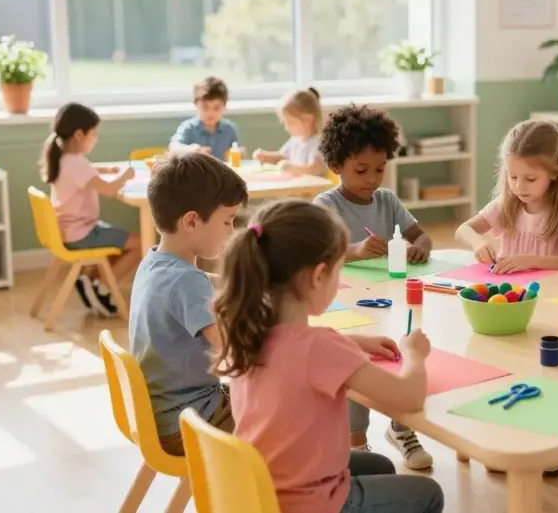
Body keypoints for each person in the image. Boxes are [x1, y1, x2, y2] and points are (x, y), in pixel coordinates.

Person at [214, 200, 444, 513]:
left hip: (259, 492)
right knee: (428, 493)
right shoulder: (319, 348)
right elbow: (410, 397)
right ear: (318, 275)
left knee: (380, 465)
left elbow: (294, 355)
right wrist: (413, 353)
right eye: (337, 272)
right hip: (307, 503)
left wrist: (353, 342)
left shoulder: (250, 333)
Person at [314, 103, 434, 469]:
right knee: (355, 364)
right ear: (336, 166)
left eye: (380, 169)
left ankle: (402, 426)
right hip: (344, 304)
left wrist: (418, 247)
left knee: (399, 353)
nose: (372, 179)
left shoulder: (388, 201)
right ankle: (357, 445)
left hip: (389, 300)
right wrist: (354, 250)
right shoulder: (325, 205)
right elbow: (319, 257)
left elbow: (423, 237)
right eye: (361, 170)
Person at [128, 152, 249, 455]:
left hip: (162, 413)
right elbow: (234, 350)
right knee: (288, 422)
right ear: (192, 221)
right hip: (190, 420)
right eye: (228, 221)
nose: (231, 231)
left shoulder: (155, 261)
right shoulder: (186, 282)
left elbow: (195, 284)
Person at [42, 102, 140, 315]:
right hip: (83, 234)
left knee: (122, 242)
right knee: (140, 245)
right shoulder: (77, 164)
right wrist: (125, 176)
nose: (96, 139)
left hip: (70, 230)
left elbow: (87, 172)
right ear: (79, 134)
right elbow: (109, 190)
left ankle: (93, 283)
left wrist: (105, 168)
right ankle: (102, 287)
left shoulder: (63, 158)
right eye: (94, 134)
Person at [456, 120, 558, 275]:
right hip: (512, 292)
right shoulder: (508, 203)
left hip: (550, 292)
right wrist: (478, 243)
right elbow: (463, 230)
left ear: (555, 173)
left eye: (530, 179)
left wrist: (528, 261)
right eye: (513, 176)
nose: (519, 187)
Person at [253, 87, 327, 177]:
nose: (286, 127)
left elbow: (316, 169)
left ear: (308, 119)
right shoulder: (296, 140)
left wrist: (293, 168)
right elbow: (281, 157)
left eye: (290, 123)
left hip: (315, 189)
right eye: (285, 123)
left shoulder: (319, 142)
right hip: (301, 188)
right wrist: (265, 156)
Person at [169, 76, 240, 161]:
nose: (210, 113)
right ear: (196, 105)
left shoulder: (229, 129)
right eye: (205, 107)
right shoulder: (188, 128)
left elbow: (236, 149)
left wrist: (240, 152)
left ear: (224, 106)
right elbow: (173, 149)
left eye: (216, 108)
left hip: (221, 173)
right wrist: (192, 150)